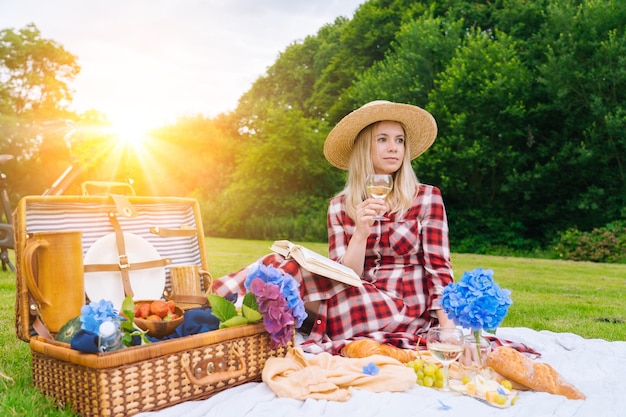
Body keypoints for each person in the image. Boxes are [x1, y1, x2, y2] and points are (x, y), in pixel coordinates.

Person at [213, 100, 455, 354]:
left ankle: (218, 314)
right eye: (382, 139)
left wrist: (447, 328)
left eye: (400, 140)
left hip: (404, 309)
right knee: (278, 262)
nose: (394, 148)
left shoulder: (426, 197)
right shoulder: (340, 206)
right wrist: (360, 233)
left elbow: (439, 270)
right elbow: (344, 275)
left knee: (285, 280)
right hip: (356, 297)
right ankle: (218, 313)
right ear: (364, 148)